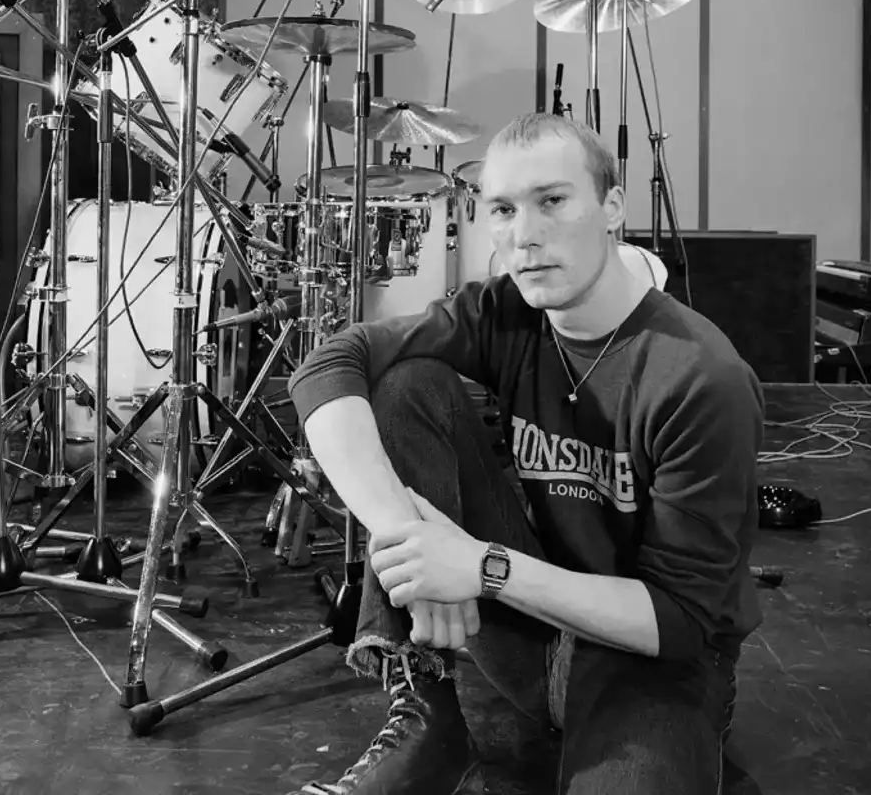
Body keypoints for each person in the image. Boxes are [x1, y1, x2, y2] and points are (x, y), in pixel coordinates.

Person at [284, 112, 764, 795]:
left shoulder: (701, 377)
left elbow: (680, 622)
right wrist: (413, 542)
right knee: (405, 383)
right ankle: (429, 715)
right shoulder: (507, 311)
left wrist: (481, 567)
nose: (525, 236)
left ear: (613, 207)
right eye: (503, 209)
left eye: (553, 201)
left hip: (653, 663)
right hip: (530, 631)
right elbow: (330, 364)